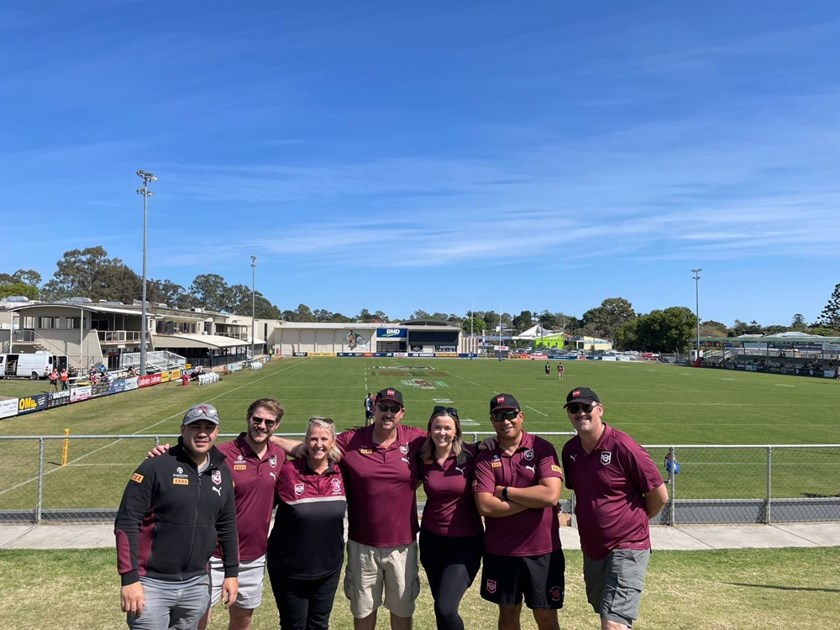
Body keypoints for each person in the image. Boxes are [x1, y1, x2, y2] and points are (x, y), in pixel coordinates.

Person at [271, 387, 425, 630]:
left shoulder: (415, 439)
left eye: (394, 408)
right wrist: (269, 438)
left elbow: (447, 441)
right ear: (374, 409)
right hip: (362, 544)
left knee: (402, 610)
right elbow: (316, 445)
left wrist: (484, 446)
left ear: (402, 412)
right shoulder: (351, 440)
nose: (388, 413)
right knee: (363, 609)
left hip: (402, 544)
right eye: (383, 407)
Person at [148, 398, 286, 630]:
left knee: (242, 620)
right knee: (197, 619)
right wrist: (162, 455)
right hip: (212, 554)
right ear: (248, 418)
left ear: (277, 426)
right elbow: (184, 462)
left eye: (269, 422)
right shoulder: (221, 453)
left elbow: (308, 449)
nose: (262, 426)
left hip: (253, 556)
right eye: (257, 419)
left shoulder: (278, 456)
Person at [115, 403, 239, 629]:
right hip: (151, 584)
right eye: (195, 427)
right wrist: (130, 578)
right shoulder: (155, 466)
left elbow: (227, 525)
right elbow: (127, 523)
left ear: (217, 432)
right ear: (182, 430)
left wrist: (232, 573)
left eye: (209, 427)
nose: (202, 433)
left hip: (197, 584)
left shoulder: (222, 472)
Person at [561, 387, 668, 630]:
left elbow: (660, 495)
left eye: (586, 407)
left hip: (627, 546)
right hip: (593, 549)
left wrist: (634, 521)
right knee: (605, 611)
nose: (580, 413)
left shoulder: (624, 446)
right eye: (574, 408)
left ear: (600, 409)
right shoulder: (570, 451)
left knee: (613, 623)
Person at [474, 393, 565, 630]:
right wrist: (534, 499)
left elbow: (551, 495)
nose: (506, 421)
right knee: (508, 613)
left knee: (546, 616)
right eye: (498, 416)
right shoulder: (485, 455)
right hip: (502, 550)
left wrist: (505, 492)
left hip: (543, 550)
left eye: (511, 414)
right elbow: (485, 506)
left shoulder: (542, 447)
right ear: (492, 421)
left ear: (521, 416)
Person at [267, 417, 347, 629]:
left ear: (333, 442)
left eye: (324, 439)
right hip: (289, 569)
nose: (318, 444)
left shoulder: (342, 472)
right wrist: (271, 437)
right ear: (305, 442)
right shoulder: (287, 471)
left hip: (328, 568)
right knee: (294, 625)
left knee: (319, 624)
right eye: (313, 439)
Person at [417, 405, 483, 630]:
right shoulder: (422, 456)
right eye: (437, 427)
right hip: (431, 540)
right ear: (430, 429)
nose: (442, 432)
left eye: (447, 428)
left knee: (446, 608)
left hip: (465, 541)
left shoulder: (471, 454)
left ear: (456, 431)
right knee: (440, 607)